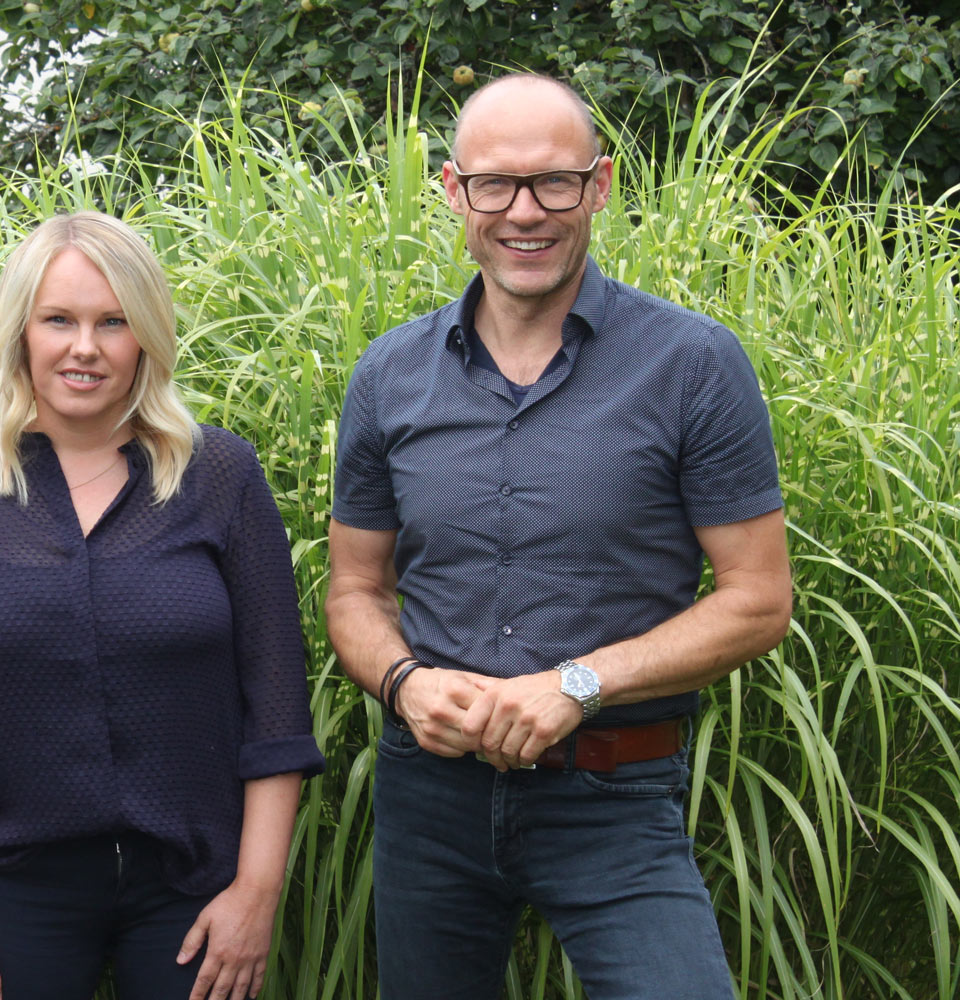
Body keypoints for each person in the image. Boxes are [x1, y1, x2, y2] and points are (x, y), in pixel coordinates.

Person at [325, 74, 793, 999]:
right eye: (496, 185)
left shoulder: (692, 364)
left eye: (555, 184)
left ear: (601, 186)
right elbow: (355, 592)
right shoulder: (388, 376)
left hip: (616, 794)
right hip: (432, 799)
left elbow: (758, 599)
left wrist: (578, 683)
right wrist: (405, 682)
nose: (525, 213)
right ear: (455, 191)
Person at [0, 211, 327, 1000]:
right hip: (15, 890)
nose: (83, 347)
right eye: (59, 320)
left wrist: (257, 895)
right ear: (21, 332)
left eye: (112, 322)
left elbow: (276, 702)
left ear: (146, 336)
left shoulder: (221, 474)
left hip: (194, 891)